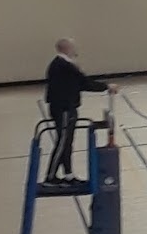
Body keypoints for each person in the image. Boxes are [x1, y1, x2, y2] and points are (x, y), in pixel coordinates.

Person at [43, 38, 118, 186]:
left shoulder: (60, 65)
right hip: (64, 109)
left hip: (65, 108)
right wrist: (107, 86)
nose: (75, 51)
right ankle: (50, 177)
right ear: (67, 49)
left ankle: (68, 175)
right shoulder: (64, 66)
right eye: (73, 48)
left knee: (67, 142)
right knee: (63, 143)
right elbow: (84, 83)